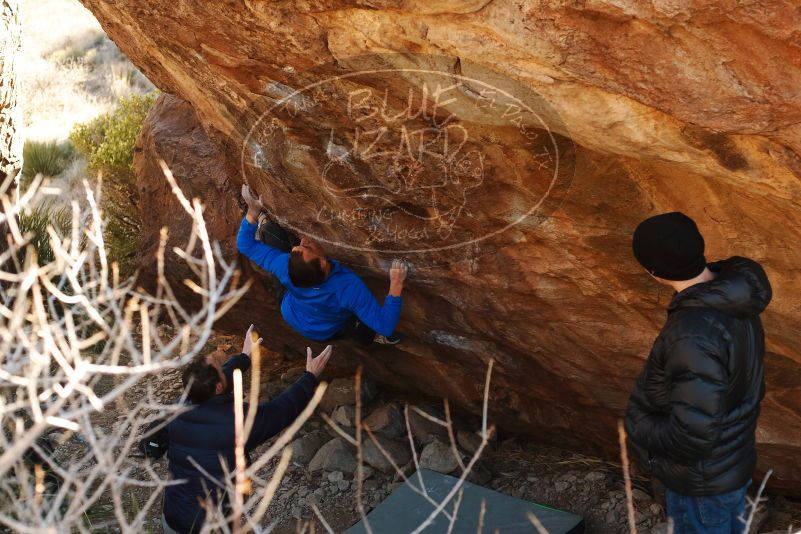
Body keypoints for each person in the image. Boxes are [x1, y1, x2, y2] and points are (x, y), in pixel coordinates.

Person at [624, 212, 772, 534]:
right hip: (730, 462)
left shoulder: (693, 334)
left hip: (702, 482)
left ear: (654, 272)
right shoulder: (732, 296)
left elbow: (692, 434)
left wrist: (639, 426)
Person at [162, 325, 332, 534]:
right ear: (217, 388)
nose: (222, 367)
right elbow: (280, 411)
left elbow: (219, 379)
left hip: (172, 515)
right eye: (219, 369)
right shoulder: (235, 422)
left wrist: (244, 357)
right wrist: (310, 376)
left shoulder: (181, 404)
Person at [237, 184, 408, 345]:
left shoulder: (283, 266)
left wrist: (253, 211)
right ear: (323, 263)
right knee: (356, 325)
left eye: (302, 246)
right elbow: (385, 326)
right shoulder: (348, 288)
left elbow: (245, 244)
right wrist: (396, 283)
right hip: (324, 330)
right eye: (305, 246)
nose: (304, 240)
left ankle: (263, 223)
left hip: (292, 311)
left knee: (270, 232)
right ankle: (372, 337)